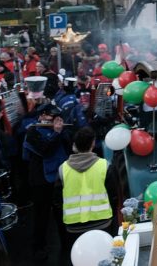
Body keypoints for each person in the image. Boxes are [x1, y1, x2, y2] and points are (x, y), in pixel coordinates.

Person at [56, 126, 119, 264]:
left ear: (75, 145)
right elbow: (114, 197)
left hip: (73, 228)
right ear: (92, 143)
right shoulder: (105, 166)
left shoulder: (62, 169)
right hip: (103, 223)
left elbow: (58, 201)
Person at [23, 102, 71, 260]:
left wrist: (62, 132)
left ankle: (66, 244)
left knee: (61, 212)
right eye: (53, 116)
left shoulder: (56, 129)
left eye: (58, 117)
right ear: (42, 115)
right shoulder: (32, 131)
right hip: (40, 181)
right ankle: (39, 248)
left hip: (58, 178)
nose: (57, 119)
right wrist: (56, 133)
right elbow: (46, 150)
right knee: (41, 216)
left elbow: (68, 147)